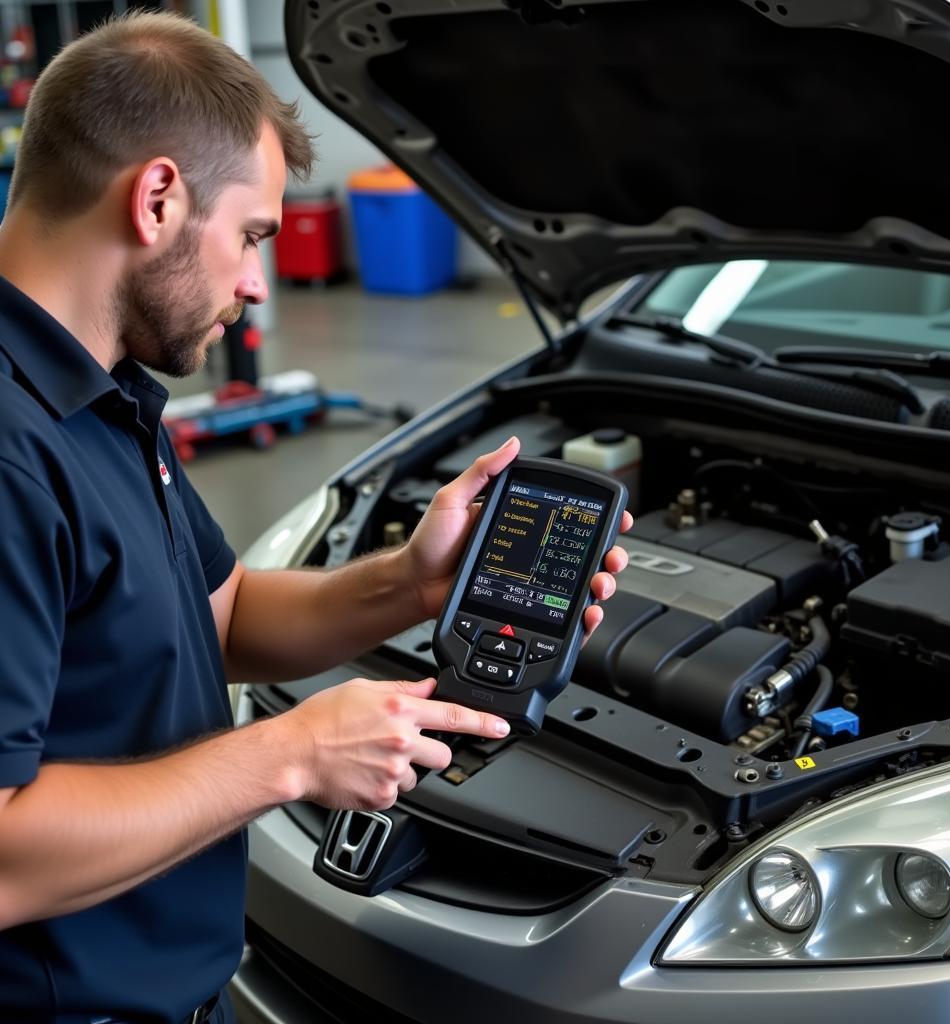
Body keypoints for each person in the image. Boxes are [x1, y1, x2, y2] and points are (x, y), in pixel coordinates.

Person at [0, 11, 630, 1024]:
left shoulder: (96, 389)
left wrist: (412, 581)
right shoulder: (8, 452)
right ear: (158, 198)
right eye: (251, 235)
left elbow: (217, 614)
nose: (256, 283)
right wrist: (287, 753)